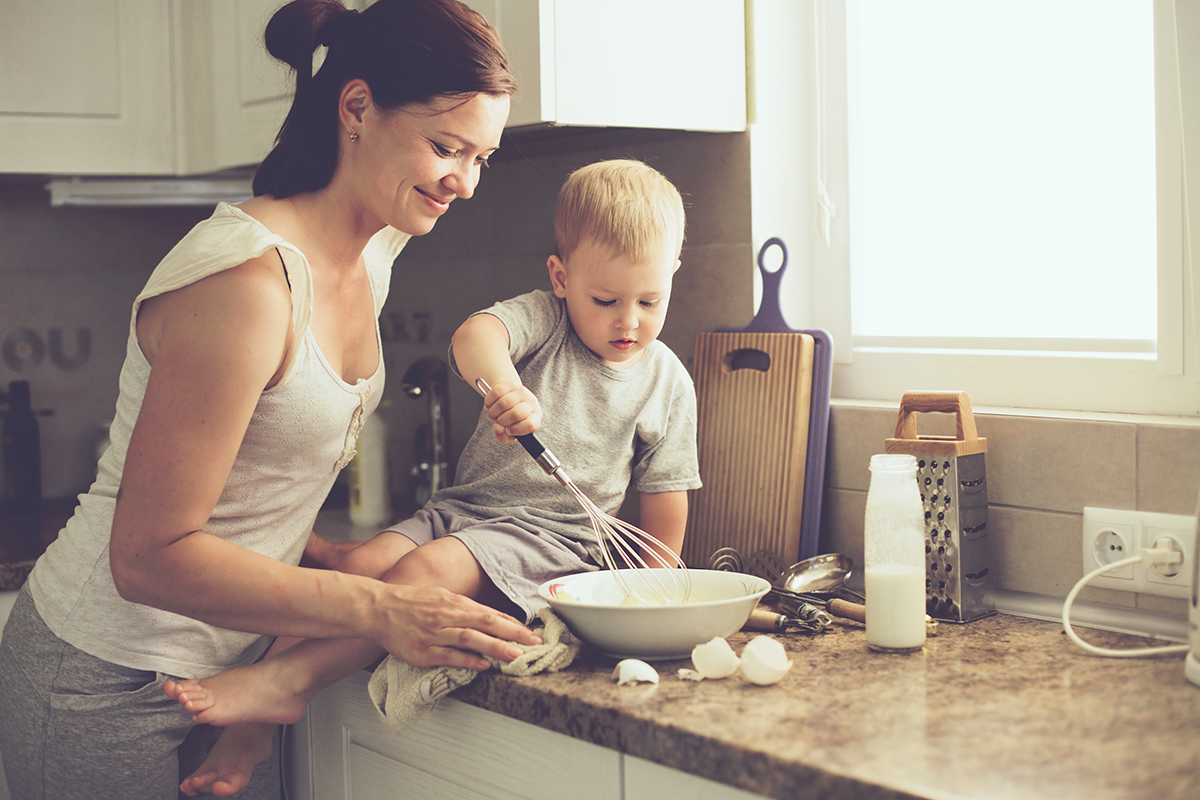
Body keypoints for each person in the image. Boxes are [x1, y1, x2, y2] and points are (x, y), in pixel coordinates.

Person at [0, 1, 540, 798]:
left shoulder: (377, 246)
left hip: (231, 669)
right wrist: (377, 609)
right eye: (444, 147)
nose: (463, 182)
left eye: (483, 157)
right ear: (355, 107)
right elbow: (146, 555)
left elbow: (250, 475)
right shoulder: (248, 285)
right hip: (101, 680)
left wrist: (321, 553)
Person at [161, 157, 702, 775]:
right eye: (604, 299)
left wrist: (654, 602)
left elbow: (665, 511)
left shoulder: (667, 382)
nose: (628, 320)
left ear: (672, 278)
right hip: (463, 511)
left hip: (553, 541)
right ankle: (253, 728)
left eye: (649, 300)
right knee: (361, 569)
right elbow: (475, 336)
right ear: (560, 276)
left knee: (424, 570)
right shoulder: (545, 322)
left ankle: (290, 681)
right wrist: (503, 386)